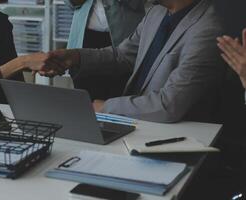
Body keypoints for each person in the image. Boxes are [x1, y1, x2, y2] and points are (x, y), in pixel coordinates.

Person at [30, 0, 225, 123]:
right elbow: (122, 56)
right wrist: (74, 57)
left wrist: (103, 108)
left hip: (168, 135)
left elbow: (169, 105)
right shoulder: (156, 13)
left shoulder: (208, 28)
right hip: (135, 124)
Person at [64, 0, 146, 100]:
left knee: (121, 98)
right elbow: (71, 4)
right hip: (85, 37)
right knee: (86, 100)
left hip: (124, 39)